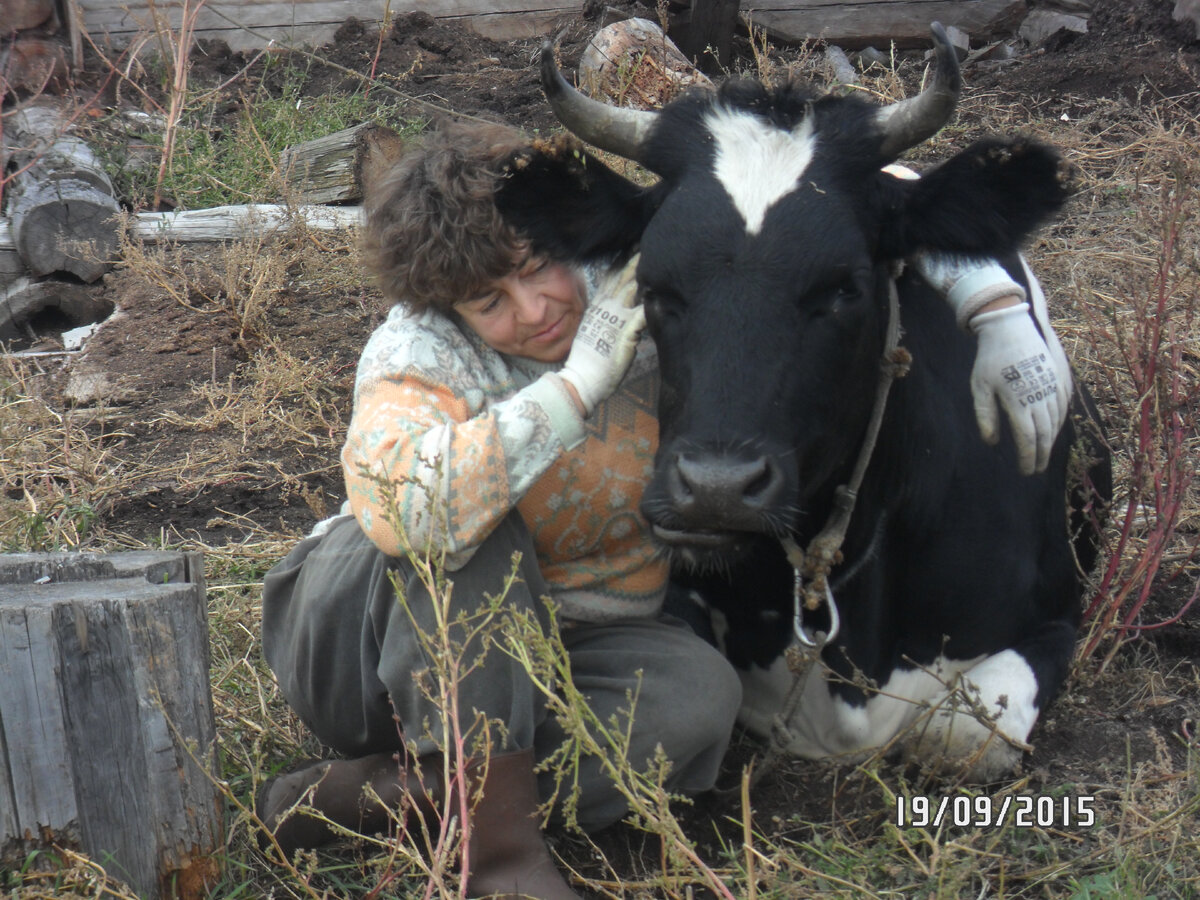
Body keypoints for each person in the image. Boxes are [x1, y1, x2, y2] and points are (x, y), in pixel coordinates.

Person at [256, 119, 1071, 899]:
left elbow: (814, 206)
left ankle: (381, 798)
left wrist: (995, 309)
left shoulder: (639, 286)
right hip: (362, 641)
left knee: (697, 703)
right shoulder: (419, 351)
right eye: (487, 300)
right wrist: (577, 387)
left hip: (552, 645)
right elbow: (411, 516)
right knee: (479, 534)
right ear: (445, 306)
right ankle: (500, 858)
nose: (535, 309)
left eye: (538, 264)